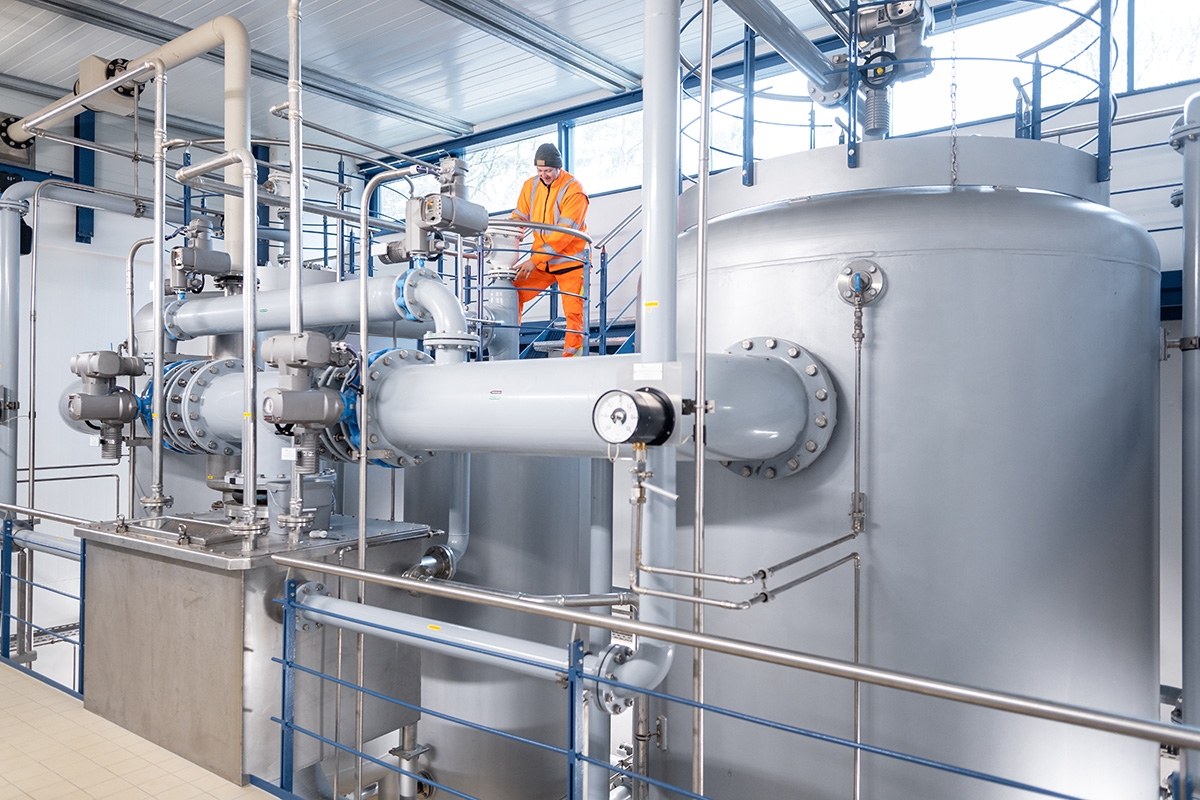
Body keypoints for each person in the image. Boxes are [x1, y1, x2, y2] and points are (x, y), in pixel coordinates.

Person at [511, 143, 590, 356]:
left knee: (574, 313)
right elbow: (518, 217)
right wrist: (511, 234)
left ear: (558, 168)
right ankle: (508, 345)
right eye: (539, 171)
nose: (543, 175)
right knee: (511, 290)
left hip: (570, 263)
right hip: (543, 263)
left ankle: (571, 359)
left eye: (547, 171)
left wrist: (534, 260)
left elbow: (563, 234)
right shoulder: (531, 186)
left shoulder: (574, 190)